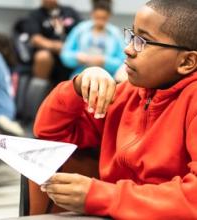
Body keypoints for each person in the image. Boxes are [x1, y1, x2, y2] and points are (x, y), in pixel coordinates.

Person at [34, 0, 197, 219]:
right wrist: (77, 88)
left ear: (187, 62)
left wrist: (101, 196)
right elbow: (50, 133)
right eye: (131, 35)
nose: (128, 49)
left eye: (144, 41)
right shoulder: (127, 93)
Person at [61, 0, 125, 78]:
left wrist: (105, 61)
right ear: (92, 14)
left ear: (109, 15)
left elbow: (123, 62)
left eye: (103, 18)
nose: (100, 22)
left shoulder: (116, 34)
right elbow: (65, 55)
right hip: (80, 75)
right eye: (97, 17)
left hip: (106, 77)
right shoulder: (80, 30)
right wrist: (77, 57)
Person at [26, 0, 81, 83]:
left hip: (71, 52)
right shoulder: (36, 14)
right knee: (43, 57)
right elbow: (36, 39)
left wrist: (69, 48)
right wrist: (56, 46)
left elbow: (82, 31)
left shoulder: (70, 12)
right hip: (50, 53)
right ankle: (39, 93)